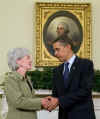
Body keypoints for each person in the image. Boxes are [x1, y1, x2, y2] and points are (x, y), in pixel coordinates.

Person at [45, 34, 96, 119]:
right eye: (54, 50)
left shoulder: (85, 64)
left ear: (68, 47)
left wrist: (59, 101)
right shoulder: (57, 71)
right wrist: (48, 102)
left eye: (57, 49)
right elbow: (56, 95)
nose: (55, 53)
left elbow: (85, 90)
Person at [4, 48, 48, 119]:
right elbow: (18, 102)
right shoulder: (10, 79)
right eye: (28, 58)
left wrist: (45, 103)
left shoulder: (28, 79)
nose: (31, 60)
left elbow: (30, 101)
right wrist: (41, 101)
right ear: (18, 61)